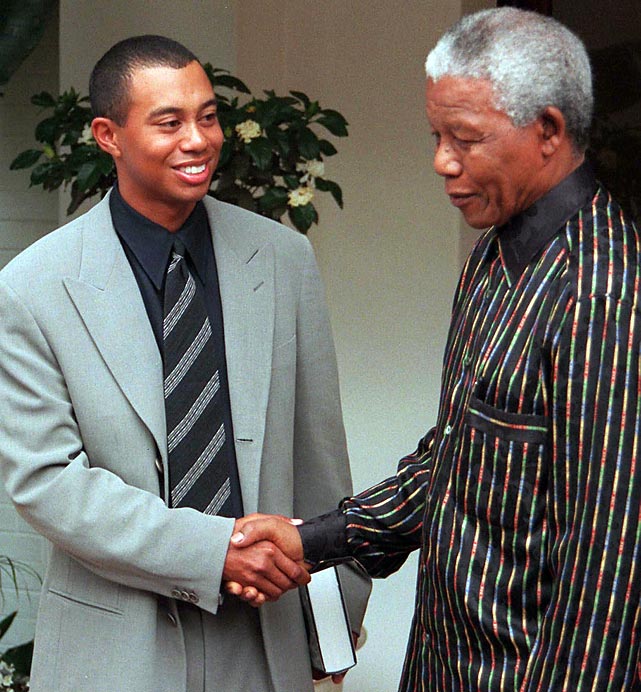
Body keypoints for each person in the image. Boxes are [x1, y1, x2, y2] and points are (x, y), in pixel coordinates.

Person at [231, 7, 641, 691]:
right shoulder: (492, 257)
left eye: (466, 138)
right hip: (441, 663)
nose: (442, 162)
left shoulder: (603, 294)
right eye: (436, 136)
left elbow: (609, 570)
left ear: (547, 131)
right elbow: (456, 460)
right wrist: (313, 538)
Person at [0, 35, 369, 692]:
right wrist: (214, 551)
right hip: (113, 649)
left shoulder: (283, 259)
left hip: (264, 639)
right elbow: (48, 482)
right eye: (168, 122)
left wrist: (332, 630)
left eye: (208, 116)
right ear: (108, 136)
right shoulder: (32, 287)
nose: (197, 140)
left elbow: (319, 462)